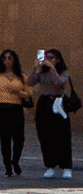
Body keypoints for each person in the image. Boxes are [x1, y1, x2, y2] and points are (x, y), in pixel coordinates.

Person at [0, 48, 36, 177]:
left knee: (19, 139)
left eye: (9, 58)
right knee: (5, 139)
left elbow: (29, 95)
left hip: (16, 110)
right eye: (4, 58)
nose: (7, 61)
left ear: (14, 60)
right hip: (1, 110)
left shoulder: (21, 77)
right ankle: (7, 166)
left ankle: (15, 161)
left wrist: (17, 92)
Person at [35, 49, 75, 179]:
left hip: (58, 102)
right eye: (46, 57)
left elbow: (59, 83)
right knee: (45, 135)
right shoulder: (42, 70)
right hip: (44, 102)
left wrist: (52, 69)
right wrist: (35, 68)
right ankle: (50, 166)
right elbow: (30, 82)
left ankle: (66, 166)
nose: (48, 60)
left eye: (51, 57)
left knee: (63, 135)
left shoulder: (63, 71)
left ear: (57, 59)